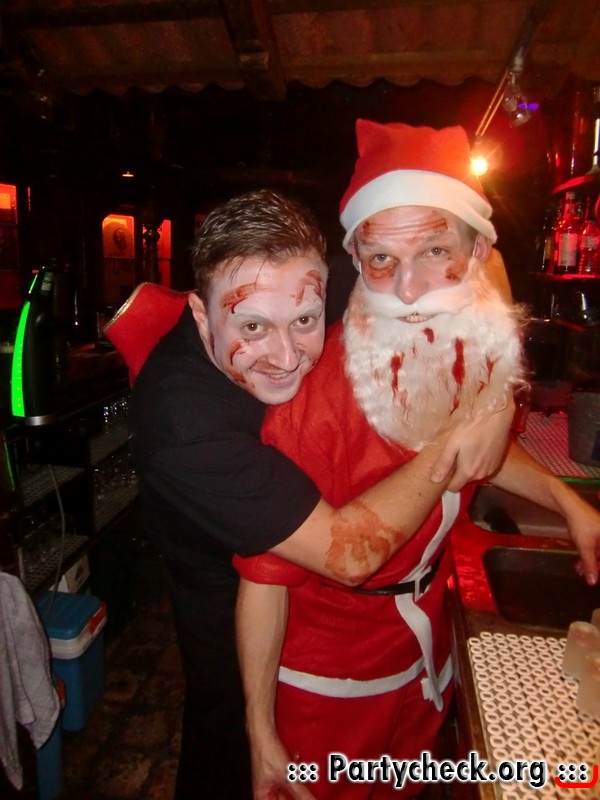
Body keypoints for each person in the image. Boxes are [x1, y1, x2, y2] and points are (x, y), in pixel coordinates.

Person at [106, 188, 517, 800]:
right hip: (224, 593)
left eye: (304, 321)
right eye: (252, 327)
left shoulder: (311, 280)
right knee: (236, 752)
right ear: (201, 315)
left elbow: (484, 262)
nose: (286, 357)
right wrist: (466, 425)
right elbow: (345, 556)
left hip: (321, 609)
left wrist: (500, 385)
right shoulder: (181, 422)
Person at [233, 121, 600, 800]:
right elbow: (263, 580)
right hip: (329, 682)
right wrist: (260, 728)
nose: (407, 290)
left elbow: (479, 454)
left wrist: (566, 501)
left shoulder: (457, 349)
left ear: (477, 249)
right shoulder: (311, 401)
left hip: (423, 649)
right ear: (355, 257)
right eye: (382, 259)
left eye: (435, 251)